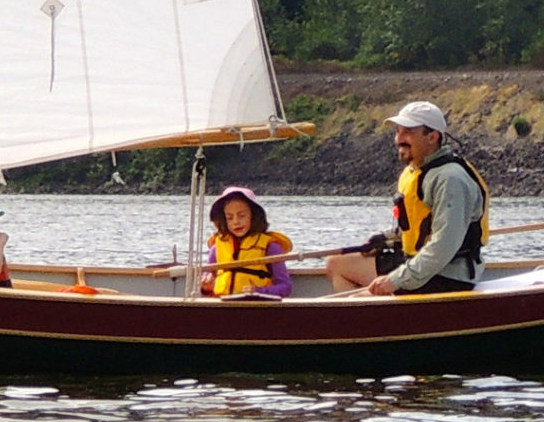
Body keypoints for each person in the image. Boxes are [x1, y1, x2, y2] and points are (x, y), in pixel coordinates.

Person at [324, 100, 489, 296]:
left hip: (446, 275)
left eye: (408, 132)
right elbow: (413, 227)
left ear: (432, 137)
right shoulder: (416, 172)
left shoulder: (450, 180)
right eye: (398, 132)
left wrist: (394, 280)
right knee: (335, 264)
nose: (399, 139)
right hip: (417, 263)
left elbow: (443, 247)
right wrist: (383, 240)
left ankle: (377, 318)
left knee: (358, 300)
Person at [199, 185, 292, 298]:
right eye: (229, 217)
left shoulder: (271, 247)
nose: (236, 222)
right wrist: (206, 287)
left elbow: (285, 287)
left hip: (256, 308)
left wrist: (259, 291)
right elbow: (207, 285)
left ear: (253, 216)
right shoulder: (216, 248)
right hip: (222, 307)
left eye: (242, 216)